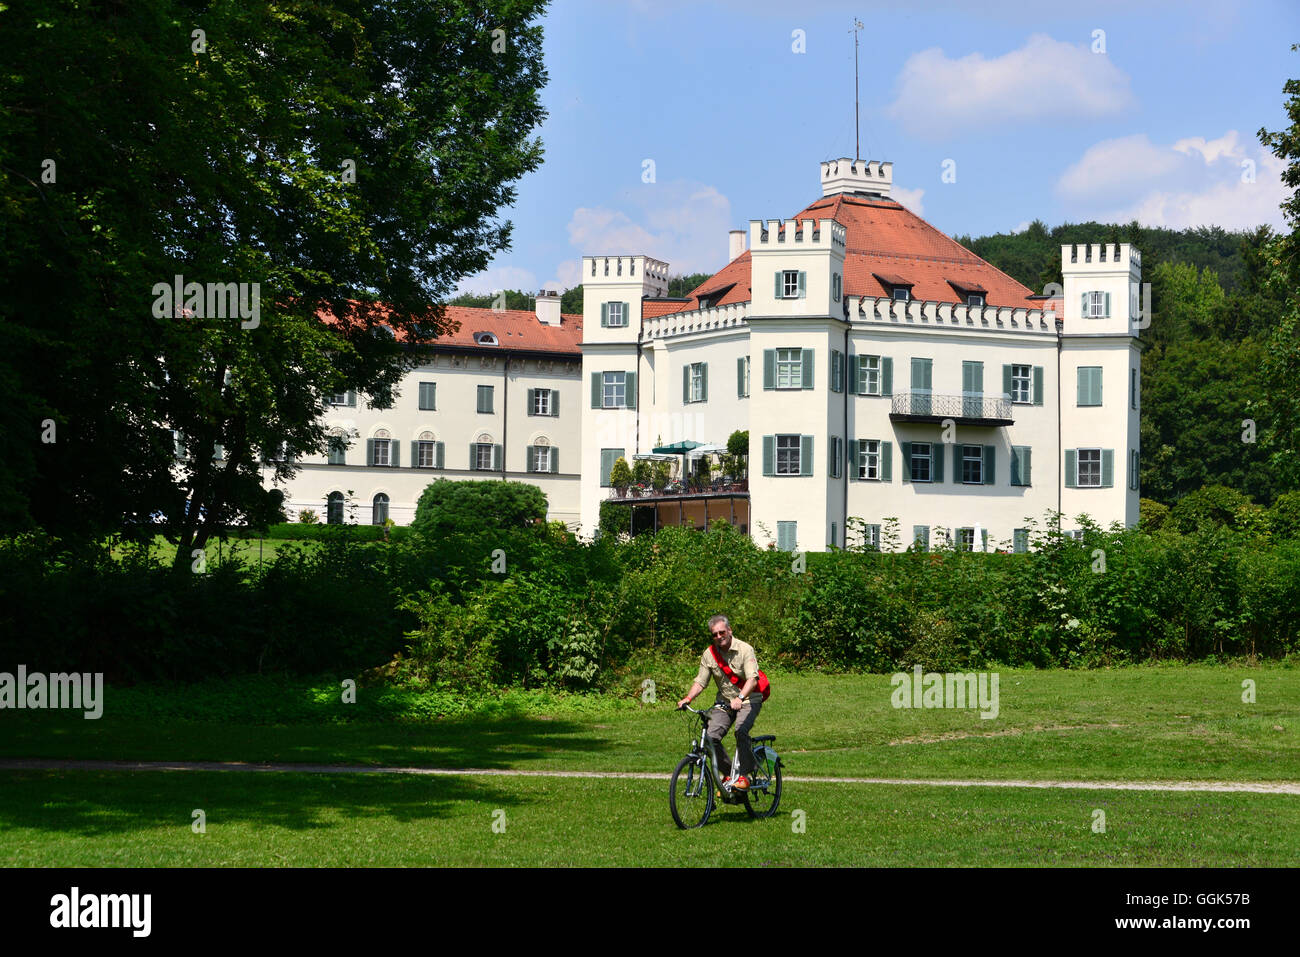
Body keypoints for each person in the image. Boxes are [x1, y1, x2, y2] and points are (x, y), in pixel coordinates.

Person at [676, 614, 761, 790]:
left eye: (722, 632)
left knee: (741, 730)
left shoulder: (745, 649)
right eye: (714, 634)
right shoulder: (709, 654)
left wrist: (740, 698)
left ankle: (745, 775)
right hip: (724, 703)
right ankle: (731, 775)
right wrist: (688, 698)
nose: (719, 637)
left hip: (748, 700)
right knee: (709, 737)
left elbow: (752, 679)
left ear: (729, 631)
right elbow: (700, 682)